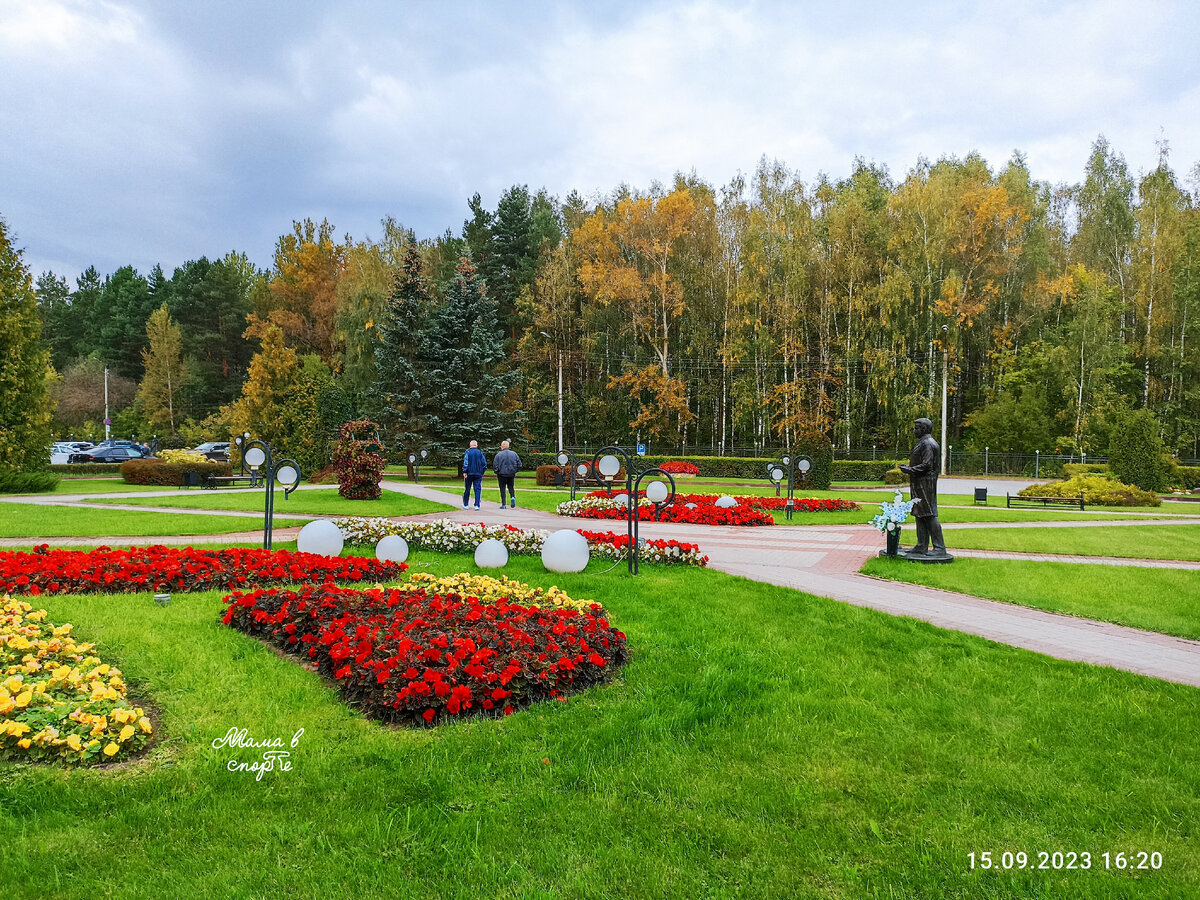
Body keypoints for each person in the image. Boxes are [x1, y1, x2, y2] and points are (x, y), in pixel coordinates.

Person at [898, 417, 949, 557]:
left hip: (926, 484)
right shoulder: (923, 442)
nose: (914, 431)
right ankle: (921, 546)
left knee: (929, 514)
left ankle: (939, 548)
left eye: (916, 428)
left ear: (924, 429)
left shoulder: (927, 443)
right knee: (919, 514)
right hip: (919, 483)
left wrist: (909, 470)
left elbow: (927, 465)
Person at [492, 440, 522, 509]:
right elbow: (519, 464)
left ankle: (504, 504)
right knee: (511, 487)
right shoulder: (514, 454)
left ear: (502, 447)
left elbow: (495, 466)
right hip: (511, 474)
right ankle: (512, 497)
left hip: (501, 475)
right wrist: (515, 471)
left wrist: (497, 472)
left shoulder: (498, 455)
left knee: (502, 489)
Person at [461, 440, 487, 510]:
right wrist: (483, 471)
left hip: (469, 473)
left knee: (467, 489)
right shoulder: (480, 453)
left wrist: (464, 471)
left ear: (470, 446)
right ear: (476, 445)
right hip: (478, 473)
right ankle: (477, 505)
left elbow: (466, 463)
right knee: (478, 489)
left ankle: (466, 504)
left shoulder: (468, 452)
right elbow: (484, 463)